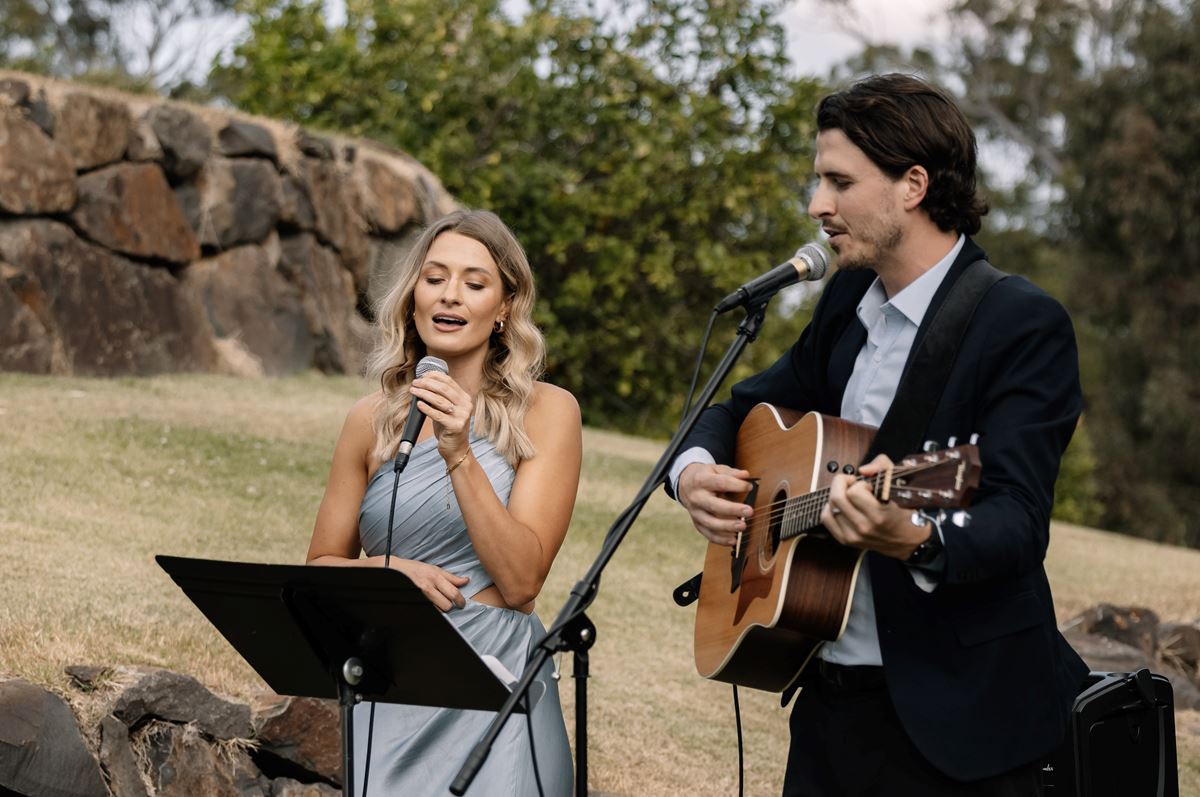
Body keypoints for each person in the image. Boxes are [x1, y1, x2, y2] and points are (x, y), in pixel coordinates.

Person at [669, 74, 1088, 795]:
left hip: (961, 721)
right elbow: (737, 406)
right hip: (830, 697)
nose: (817, 205)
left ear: (913, 185)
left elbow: (1017, 519)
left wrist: (916, 537)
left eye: (839, 182)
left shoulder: (1020, 323)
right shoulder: (847, 300)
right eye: (819, 181)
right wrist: (694, 473)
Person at [306, 209, 581, 795]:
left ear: (505, 307)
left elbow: (521, 582)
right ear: (413, 298)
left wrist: (460, 453)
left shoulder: (548, 412)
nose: (449, 295)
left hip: (496, 687)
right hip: (391, 683)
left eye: (474, 283)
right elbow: (320, 568)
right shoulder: (368, 421)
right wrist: (387, 573)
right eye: (434, 278)